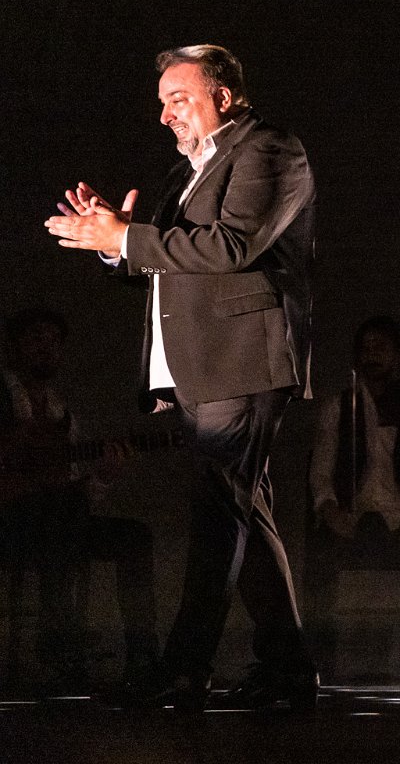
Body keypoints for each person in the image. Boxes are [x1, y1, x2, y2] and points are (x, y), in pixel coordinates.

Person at [44, 44, 317, 712]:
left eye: (178, 98)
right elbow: (167, 259)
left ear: (222, 96)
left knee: (220, 516)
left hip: (241, 359)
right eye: (162, 102)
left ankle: (183, 669)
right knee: (245, 516)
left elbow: (231, 246)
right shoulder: (186, 170)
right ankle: (287, 669)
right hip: (201, 364)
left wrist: (126, 237)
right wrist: (115, 238)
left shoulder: (269, 149)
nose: (165, 114)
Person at [0, 307, 158, 694]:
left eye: (54, 342)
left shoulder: (63, 416)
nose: (46, 347)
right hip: (9, 522)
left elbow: (70, 487)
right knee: (60, 511)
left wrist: (103, 476)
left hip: (53, 520)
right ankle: (58, 640)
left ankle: (144, 659)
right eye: (36, 338)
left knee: (133, 536)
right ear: (14, 346)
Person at [306, 316, 400, 679]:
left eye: (381, 348)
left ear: (397, 356)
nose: (372, 355)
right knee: (318, 559)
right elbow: (321, 472)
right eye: (366, 348)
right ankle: (318, 659)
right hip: (352, 522)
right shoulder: (339, 407)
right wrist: (330, 512)